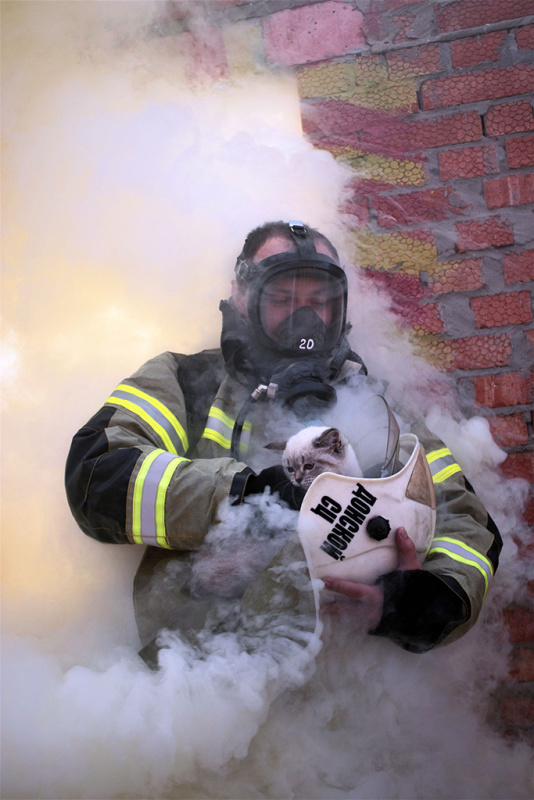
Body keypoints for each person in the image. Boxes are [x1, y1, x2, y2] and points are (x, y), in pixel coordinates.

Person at [65, 220, 502, 663]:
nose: (305, 317)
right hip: (196, 684)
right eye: (282, 299)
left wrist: (431, 600)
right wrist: (252, 494)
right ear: (242, 296)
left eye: (318, 301)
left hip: (346, 709)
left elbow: (464, 520)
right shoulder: (185, 380)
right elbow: (97, 474)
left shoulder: (380, 407)